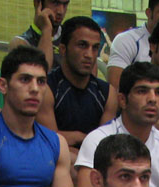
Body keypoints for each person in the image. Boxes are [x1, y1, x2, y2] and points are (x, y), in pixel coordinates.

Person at [0, 46, 74, 187]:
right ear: (3, 85)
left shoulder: (57, 142)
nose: (34, 89)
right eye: (25, 79)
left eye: (41, 81)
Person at [42, 15, 117, 151]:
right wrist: (82, 138)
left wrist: (75, 138)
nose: (89, 55)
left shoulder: (107, 93)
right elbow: (49, 146)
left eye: (95, 48)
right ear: (63, 49)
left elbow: (104, 149)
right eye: (82, 45)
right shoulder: (46, 88)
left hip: (92, 160)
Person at [8, 0, 66, 71]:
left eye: (65, 4)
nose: (61, 11)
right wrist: (47, 30)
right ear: (37, 3)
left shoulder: (70, 37)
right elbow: (42, 73)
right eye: (55, 3)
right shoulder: (20, 43)